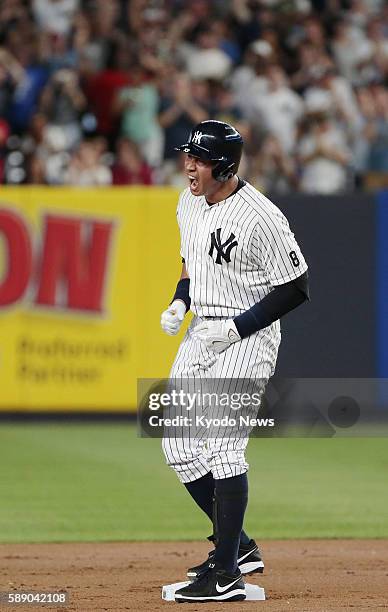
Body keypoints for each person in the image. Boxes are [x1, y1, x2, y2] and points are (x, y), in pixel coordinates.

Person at [160, 120, 309, 603]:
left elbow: (296, 287)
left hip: (247, 336)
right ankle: (239, 548)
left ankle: (225, 575)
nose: (189, 166)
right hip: (202, 329)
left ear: (223, 165)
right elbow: (190, 259)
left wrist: (236, 328)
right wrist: (180, 302)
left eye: (199, 159)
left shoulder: (261, 216)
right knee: (179, 447)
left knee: (224, 449)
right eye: (188, 156)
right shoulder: (189, 200)